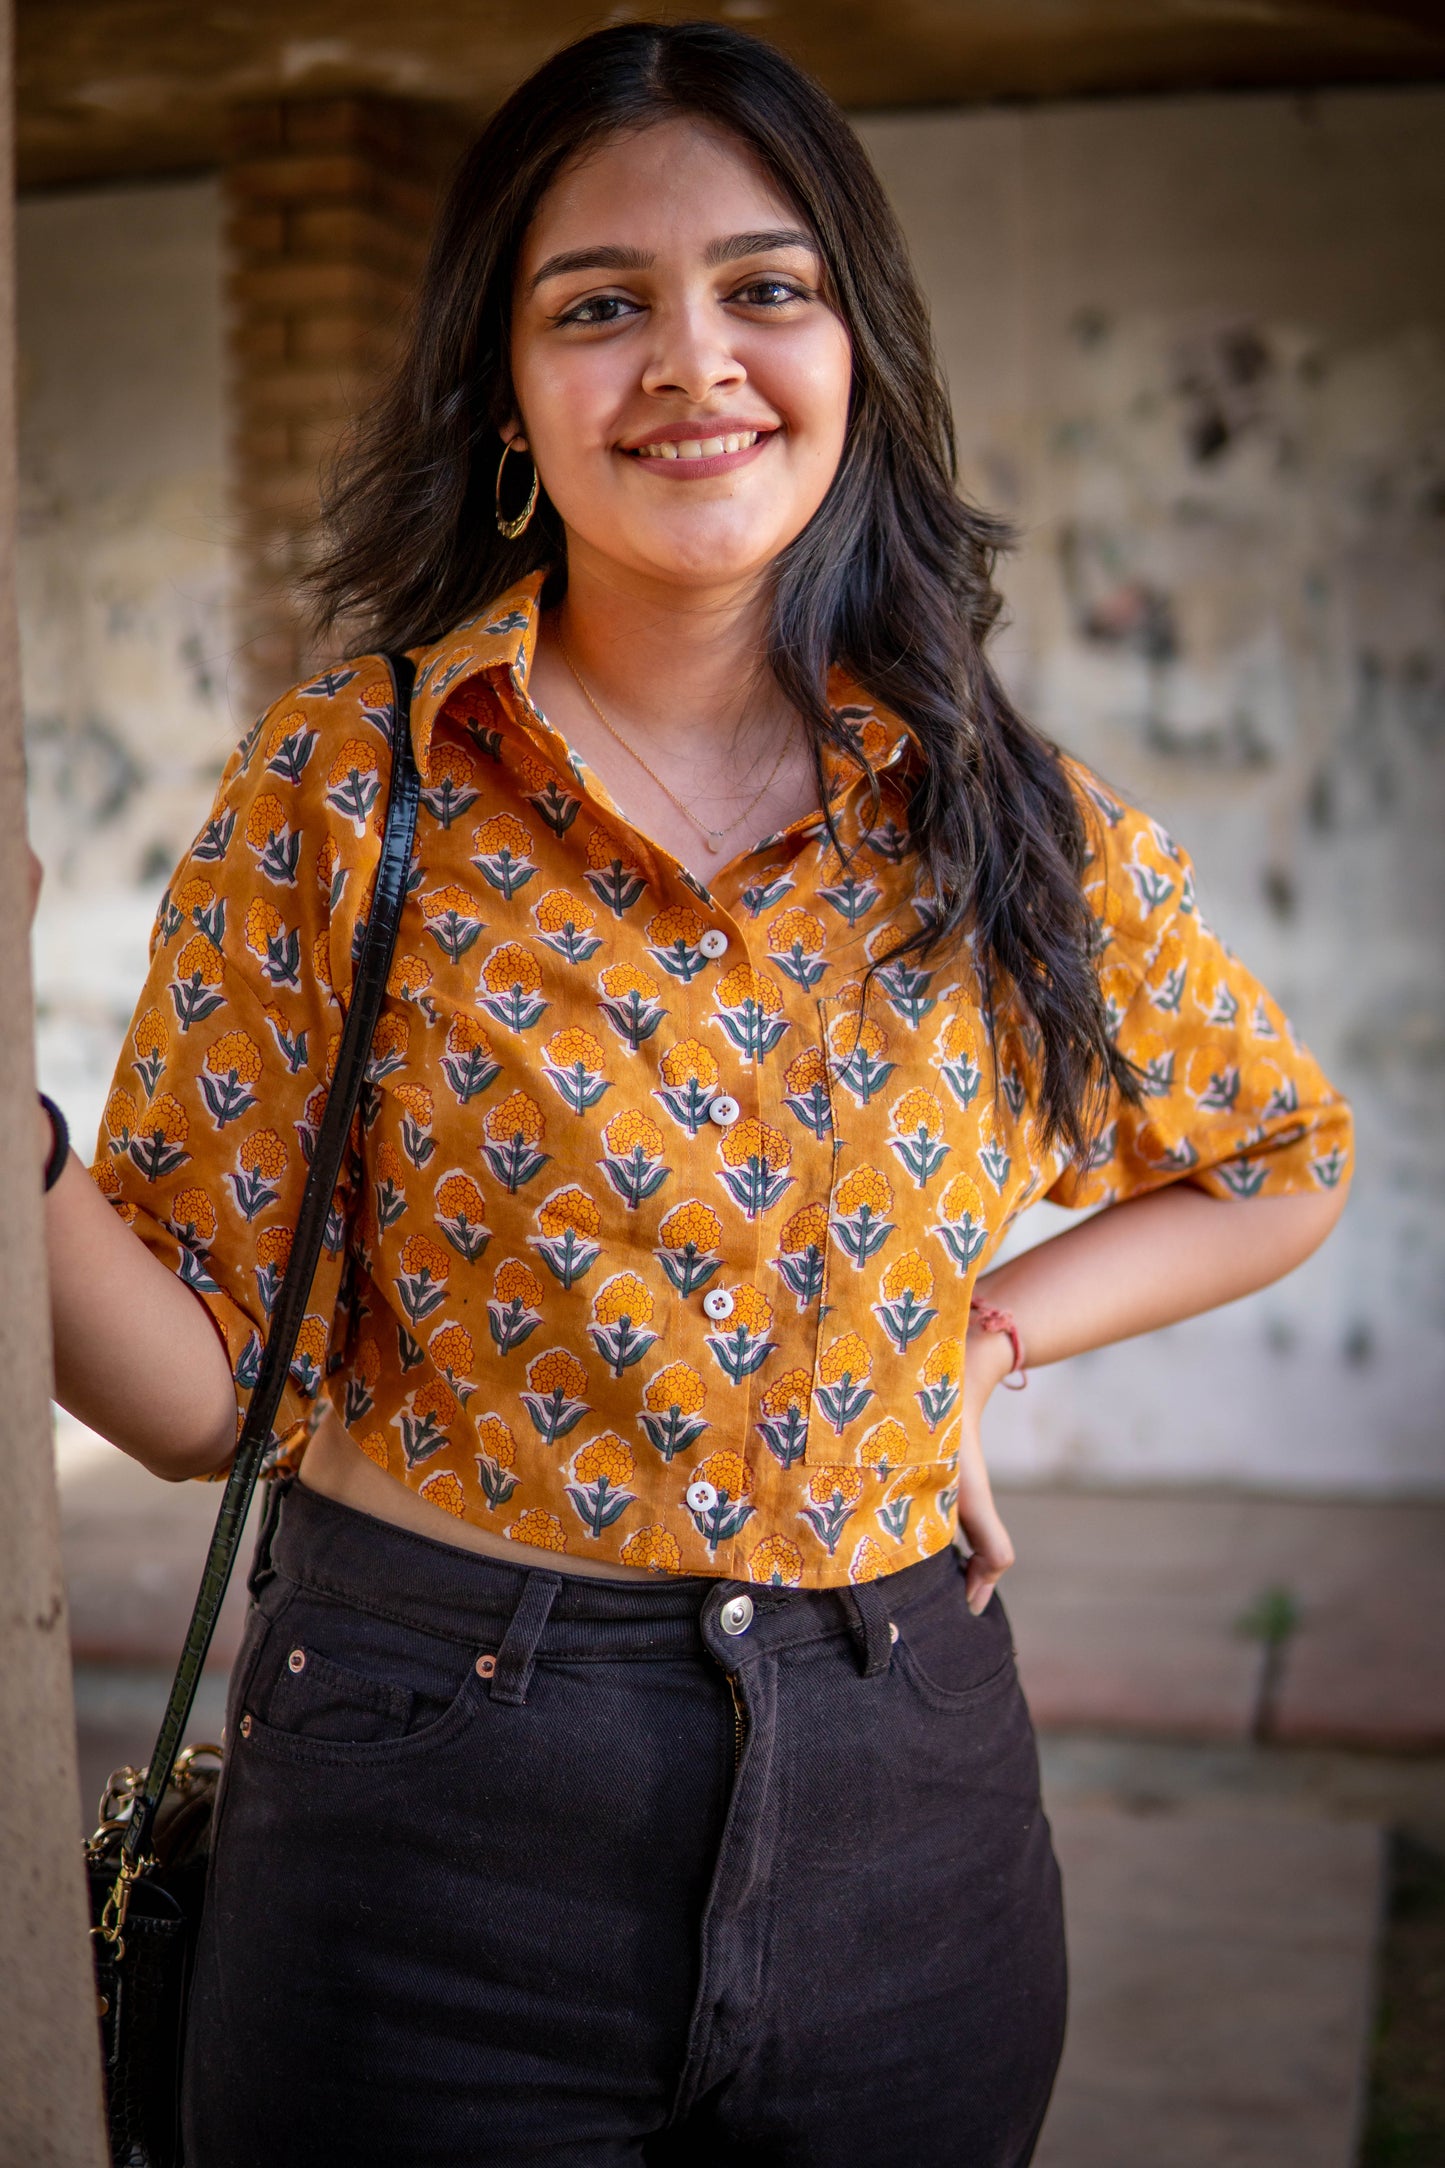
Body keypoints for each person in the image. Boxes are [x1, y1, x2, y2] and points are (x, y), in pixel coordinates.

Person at [34, 21, 1352, 2166]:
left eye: (765, 285)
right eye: (599, 306)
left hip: (911, 1814)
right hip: (430, 1819)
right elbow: (195, 1395)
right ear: (507, 389)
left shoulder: (1002, 813)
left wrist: (984, 1336)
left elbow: (1287, 1159)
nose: (691, 360)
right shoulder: (347, 793)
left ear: (856, 349)